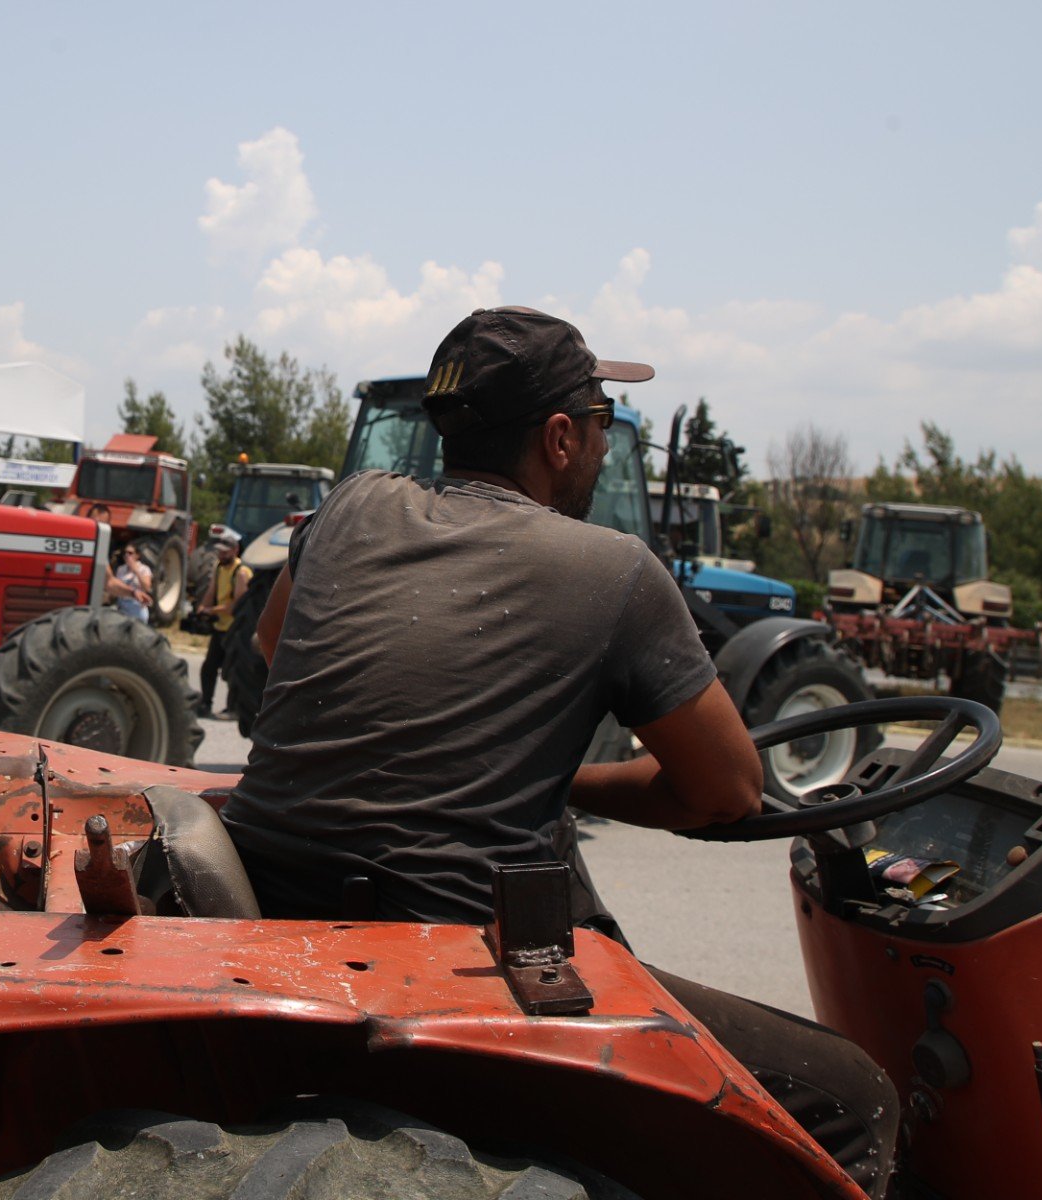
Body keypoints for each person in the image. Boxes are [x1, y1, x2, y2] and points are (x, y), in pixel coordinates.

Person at [221, 306, 899, 1197]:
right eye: (604, 426)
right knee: (855, 1095)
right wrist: (569, 779)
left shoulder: (348, 507)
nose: (606, 447)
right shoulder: (614, 571)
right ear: (560, 438)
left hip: (284, 921)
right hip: (455, 964)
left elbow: (271, 657)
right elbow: (729, 791)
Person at [195, 530, 252, 716]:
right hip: (221, 627)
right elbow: (211, 591)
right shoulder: (220, 568)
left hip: (236, 629)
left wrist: (211, 611)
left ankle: (234, 707)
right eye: (220, 551)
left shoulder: (241, 572)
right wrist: (202, 606)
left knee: (232, 671)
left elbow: (237, 605)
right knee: (208, 668)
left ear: (235, 550)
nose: (221, 555)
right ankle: (205, 704)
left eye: (225, 552)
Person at [107, 543, 154, 622]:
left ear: (137, 555)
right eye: (125, 553)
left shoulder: (144, 569)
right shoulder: (121, 569)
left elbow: (147, 587)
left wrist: (136, 571)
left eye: (130, 553)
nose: (127, 555)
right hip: (122, 607)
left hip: (137, 608)